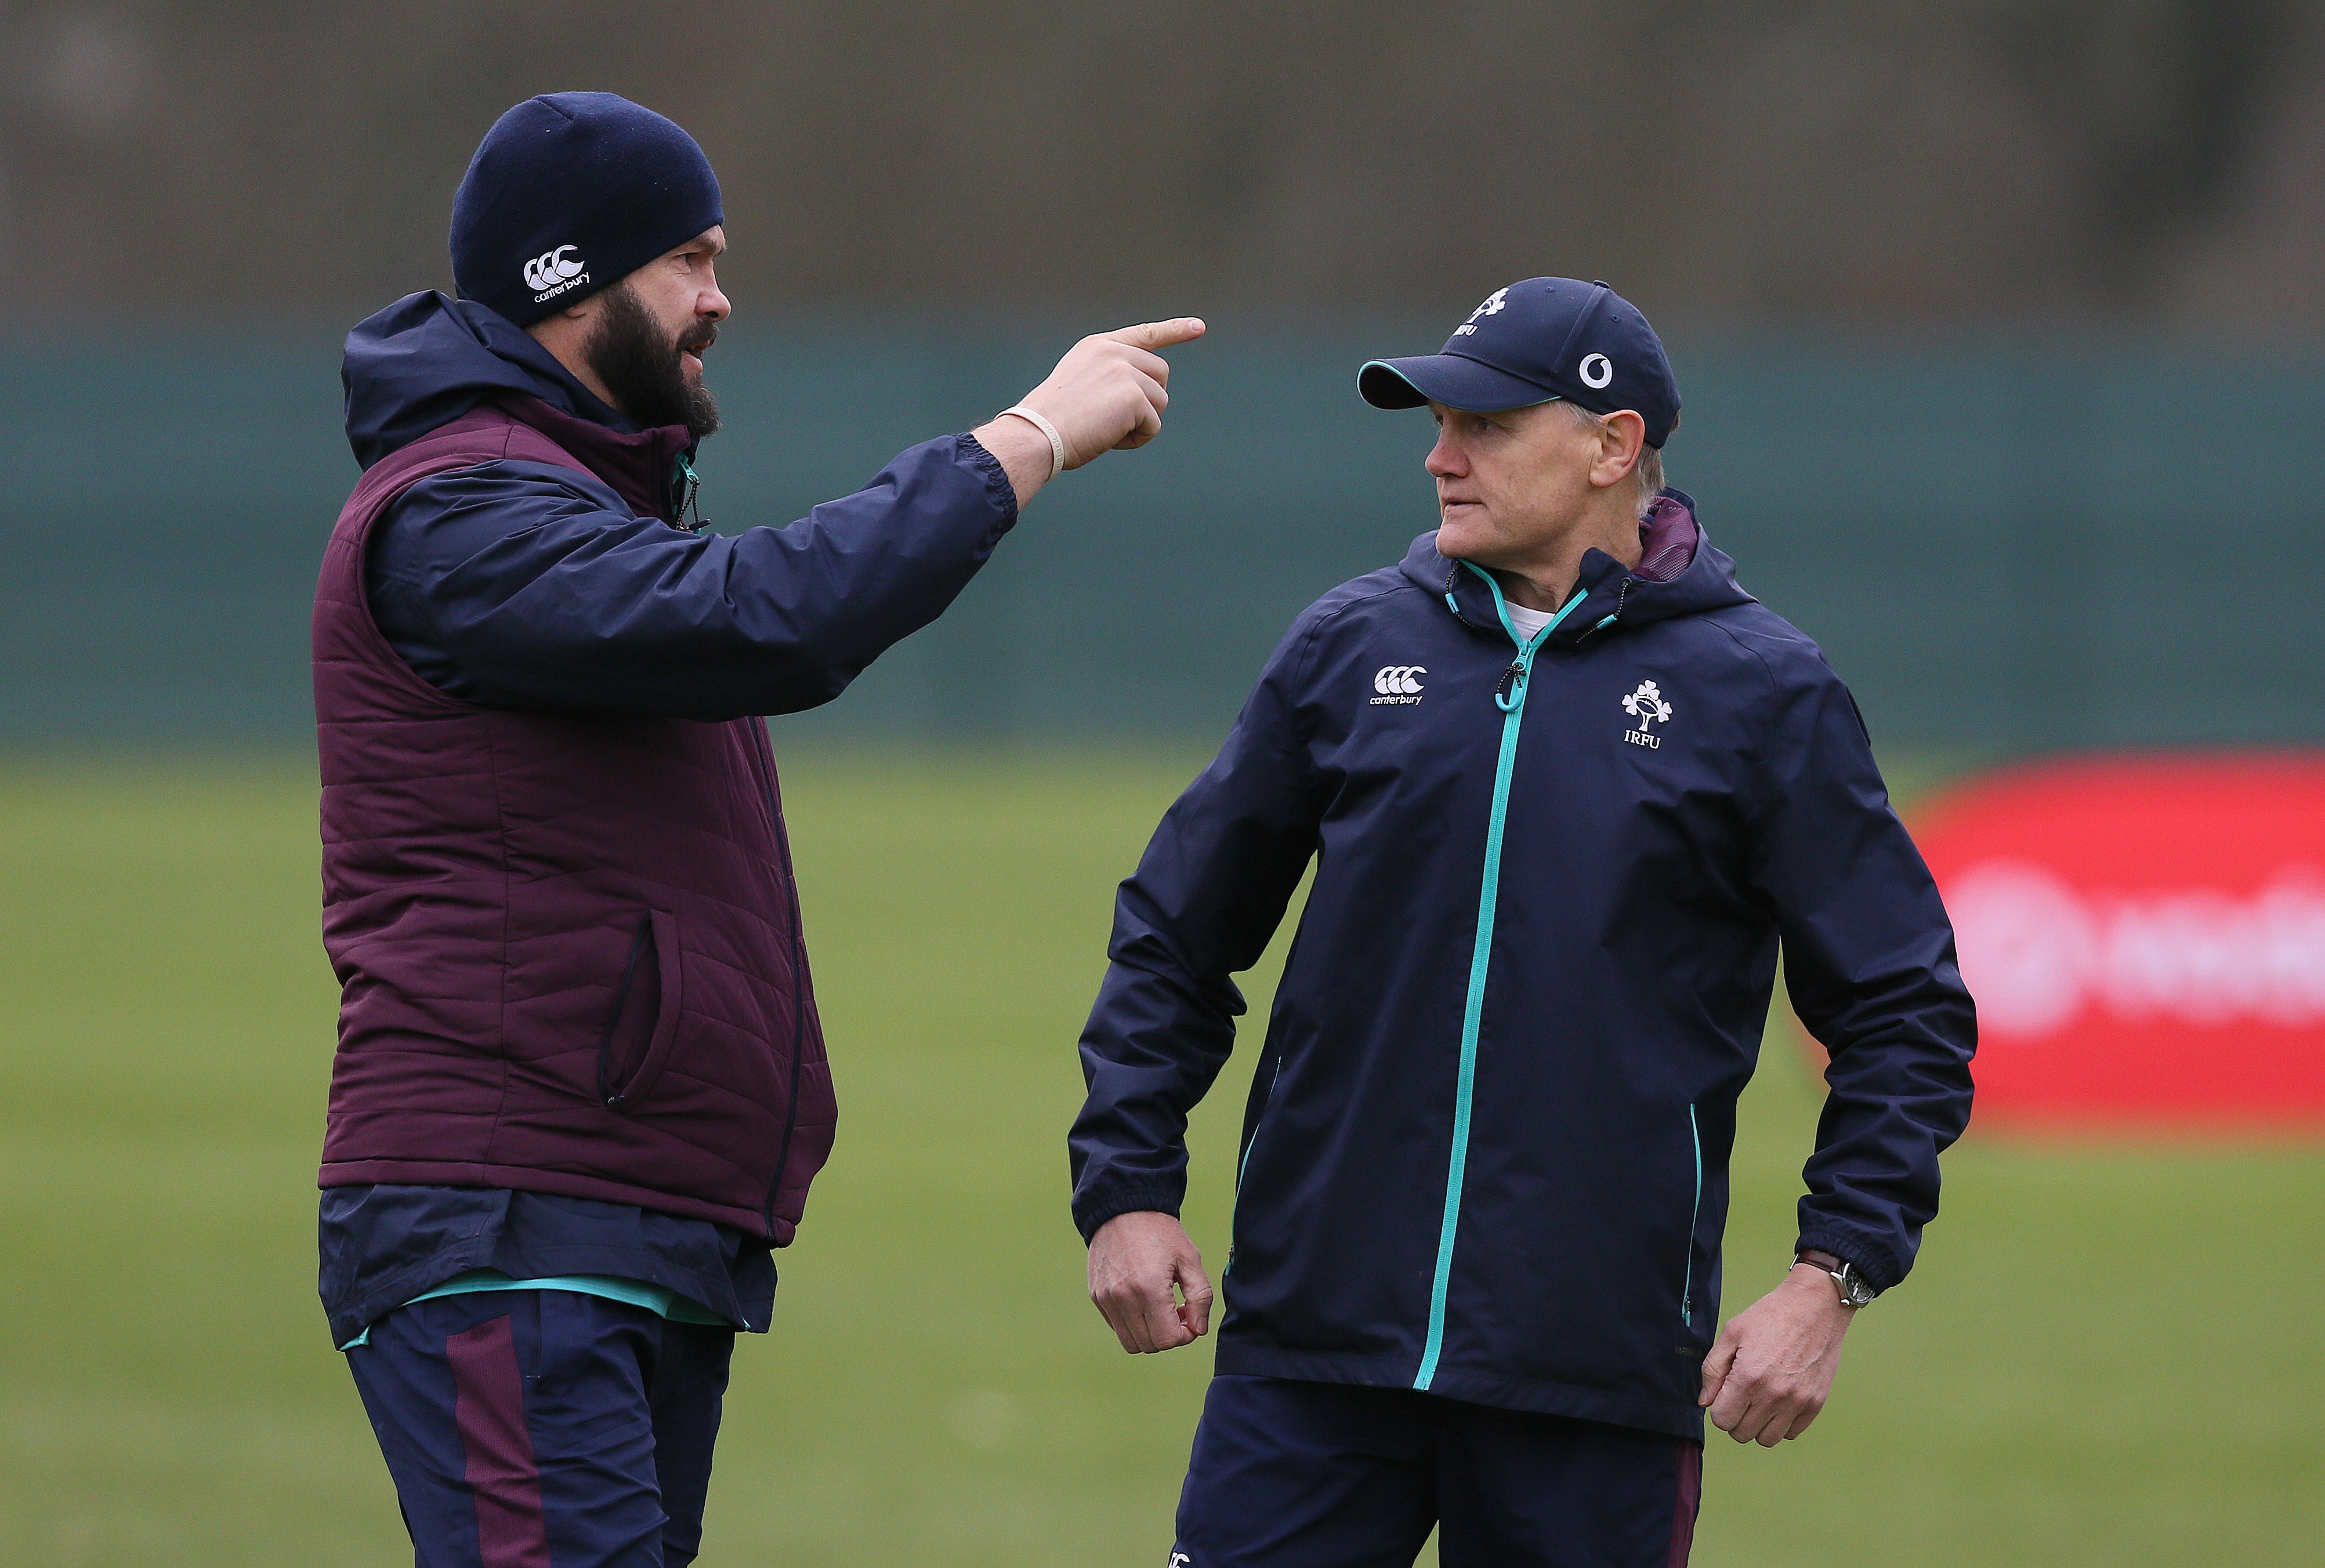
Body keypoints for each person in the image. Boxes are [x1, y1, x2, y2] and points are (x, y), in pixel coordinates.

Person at [314, 92, 1200, 1567]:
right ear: (565, 279)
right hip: (510, 1214)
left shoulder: (584, 502)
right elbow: (771, 619)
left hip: (625, 1213)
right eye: (691, 259)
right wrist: (1028, 438)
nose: (720, 297)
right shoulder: (460, 512)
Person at [1069, 277, 1975, 1566]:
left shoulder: (1765, 693)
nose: (1441, 457)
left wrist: (1831, 1278)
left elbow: (1903, 1012)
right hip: (1314, 1357)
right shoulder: (1346, 647)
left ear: (1613, 447)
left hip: (1593, 1380)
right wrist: (1126, 1190)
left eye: (1486, 427)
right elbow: (1176, 932)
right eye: (1438, 424)